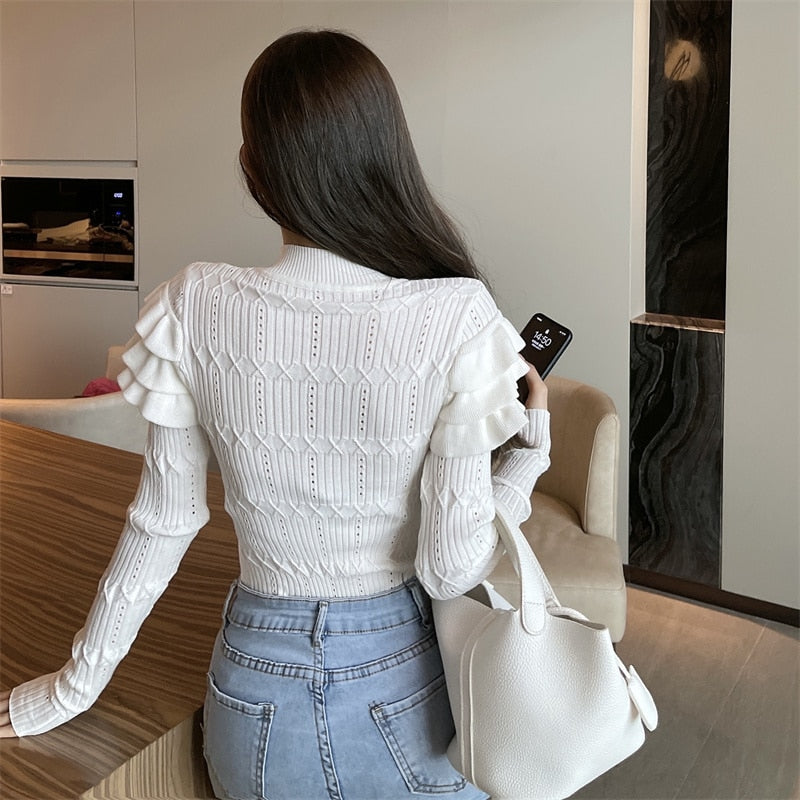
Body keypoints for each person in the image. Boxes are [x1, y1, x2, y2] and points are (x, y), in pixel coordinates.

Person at [0, 29, 550, 800]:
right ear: (386, 155)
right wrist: (526, 460)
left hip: (250, 701)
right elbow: (451, 568)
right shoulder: (456, 316)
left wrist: (72, 686)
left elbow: (162, 521)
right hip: (402, 691)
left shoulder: (193, 304)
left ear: (255, 166)